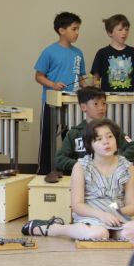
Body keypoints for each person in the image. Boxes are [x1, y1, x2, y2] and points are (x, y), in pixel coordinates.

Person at [23, 118, 134, 240]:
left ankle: (111, 232)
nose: (106, 142)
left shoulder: (128, 167)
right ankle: (55, 228)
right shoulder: (81, 166)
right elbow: (77, 205)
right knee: (99, 234)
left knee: (133, 235)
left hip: (117, 217)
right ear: (90, 145)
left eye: (110, 137)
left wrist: (115, 213)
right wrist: (102, 215)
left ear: (116, 140)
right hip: (91, 216)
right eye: (98, 139)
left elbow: (133, 207)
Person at [33, 11, 86, 175]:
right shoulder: (49, 51)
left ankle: (72, 171)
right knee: (48, 137)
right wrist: (53, 85)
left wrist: (87, 87)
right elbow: (38, 76)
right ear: (62, 30)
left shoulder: (78, 53)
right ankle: (44, 171)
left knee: (72, 138)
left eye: (78, 29)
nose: (77, 33)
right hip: (52, 102)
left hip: (73, 103)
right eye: (74, 29)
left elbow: (81, 77)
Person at [55, 86, 134, 174]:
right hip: (82, 177)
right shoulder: (74, 133)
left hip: (109, 177)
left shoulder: (112, 130)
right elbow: (59, 159)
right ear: (83, 107)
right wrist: (85, 165)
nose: (101, 108)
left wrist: (114, 161)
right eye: (96, 104)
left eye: (103, 103)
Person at [90, 14, 134, 92]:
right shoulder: (102, 53)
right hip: (108, 97)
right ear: (110, 33)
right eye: (120, 30)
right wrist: (97, 94)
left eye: (126, 29)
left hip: (130, 97)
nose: (124, 32)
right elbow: (96, 78)